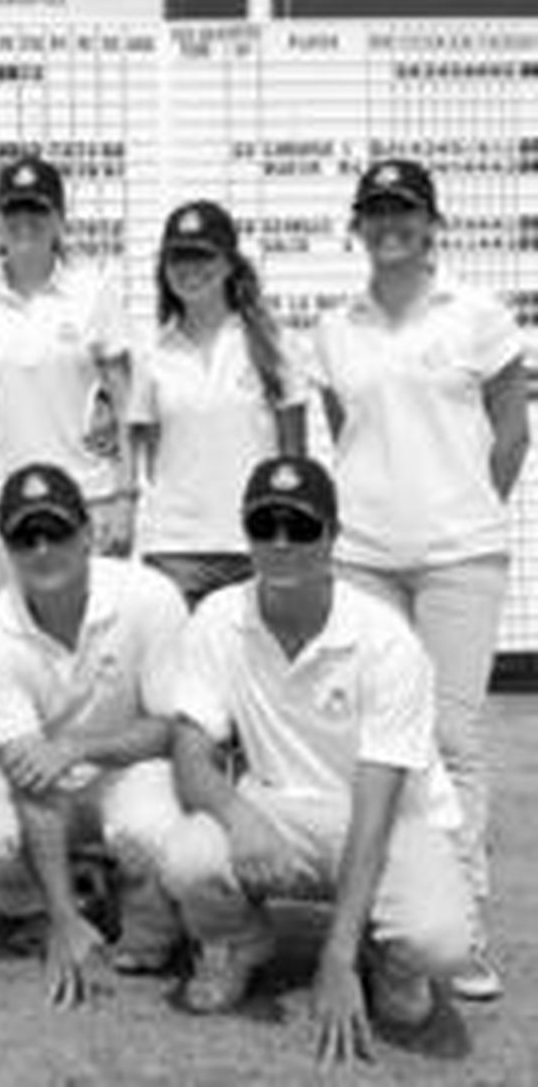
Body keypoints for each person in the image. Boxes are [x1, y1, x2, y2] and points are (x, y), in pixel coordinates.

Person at [159, 455, 475, 1068]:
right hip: (279, 806)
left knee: (440, 942)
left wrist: (336, 957)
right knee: (187, 854)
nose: (280, 543)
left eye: (300, 527)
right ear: (245, 531)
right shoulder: (217, 618)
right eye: (263, 524)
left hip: (387, 819)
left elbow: (376, 809)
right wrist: (239, 815)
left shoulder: (386, 640)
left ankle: (386, 962)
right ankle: (238, 943)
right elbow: (191, 757)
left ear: (332, 535)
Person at [313, 157, 529, 1000]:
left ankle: (462, 921)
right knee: (373, 738)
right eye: (375, 211)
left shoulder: (477, 313)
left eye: (405, 210)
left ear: (432, 222)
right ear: (358, 225)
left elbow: (510, 433)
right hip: (363, 555)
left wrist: (463, 510)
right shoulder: (338, 326)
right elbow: (349, 432)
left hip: (458, 558)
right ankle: (380, 914)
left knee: (453, 740)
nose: (390, 224)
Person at [0, 462, 189, 1007]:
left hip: (131, 764)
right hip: (43, 781)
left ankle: (148, 914)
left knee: (152, 826)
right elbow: (30, 776)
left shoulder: (151, 597)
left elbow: (172, 730)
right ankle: (54, 907)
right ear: (4, 546)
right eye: (25, 537)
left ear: (88, 532)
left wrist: (78, 747)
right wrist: (62, 918)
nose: (43, 549)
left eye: (57, 531)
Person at [0, 154, 134, 598]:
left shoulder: (94, 293)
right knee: (9, 647)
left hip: (88, 503)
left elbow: (127, 405)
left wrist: (125, 500)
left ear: (60, 221)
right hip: (0, 507)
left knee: (94, 641)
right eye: (13, 210)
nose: (24, 222)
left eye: (38, 210)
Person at [127, 200, 307, 607]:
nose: (189, 269)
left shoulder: (274, 342)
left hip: (258, 544)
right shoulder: (151, 350)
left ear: (229, 263)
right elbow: (151, 456)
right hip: (175, 549)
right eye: (178, 258)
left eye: (203, 255)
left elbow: (294, 454)